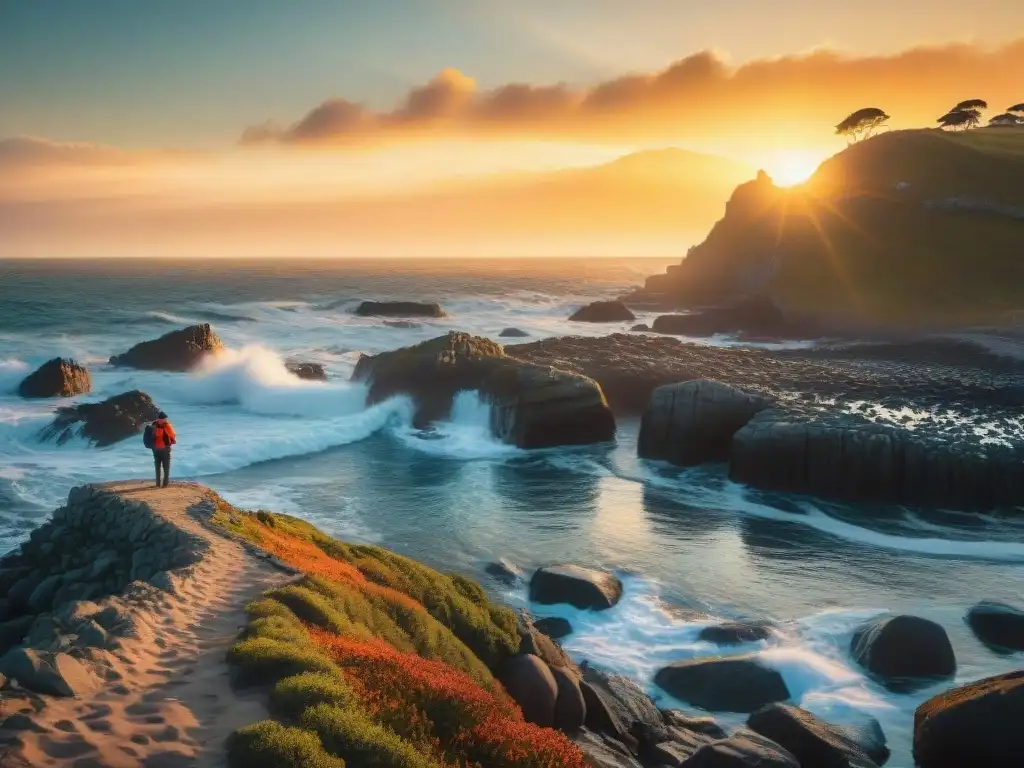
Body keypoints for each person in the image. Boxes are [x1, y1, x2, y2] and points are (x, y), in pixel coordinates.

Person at [151, 411, 177, 488]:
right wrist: (172, 441)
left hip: (156, 449)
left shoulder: (154, 425)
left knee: (157, 467)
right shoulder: (167, 426)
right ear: (163, 419)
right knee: (166, 467)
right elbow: (172, 435)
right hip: (165, 449)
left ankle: (158, 484)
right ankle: (165, 484)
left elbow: (152, 436)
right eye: (164, 419)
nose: (164, 420)